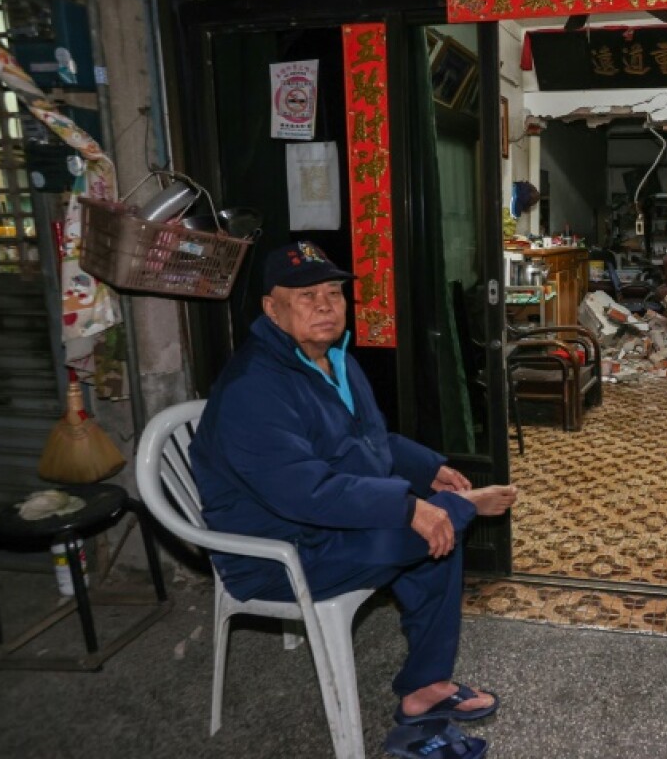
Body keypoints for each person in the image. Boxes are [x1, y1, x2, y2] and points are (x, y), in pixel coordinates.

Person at [191, 240, 518, 733]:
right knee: (423, 524)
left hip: (323, 529)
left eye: (334, 293)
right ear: (270, 308)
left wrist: (426, 469)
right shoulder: (254, 387)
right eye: (305, 296)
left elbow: (369, 438)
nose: (325, 305)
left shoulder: (333, 359)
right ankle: (458, 507)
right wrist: (413, 507)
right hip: (276, 550)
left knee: (436, 533)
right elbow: (305, 492)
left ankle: (426, 687)